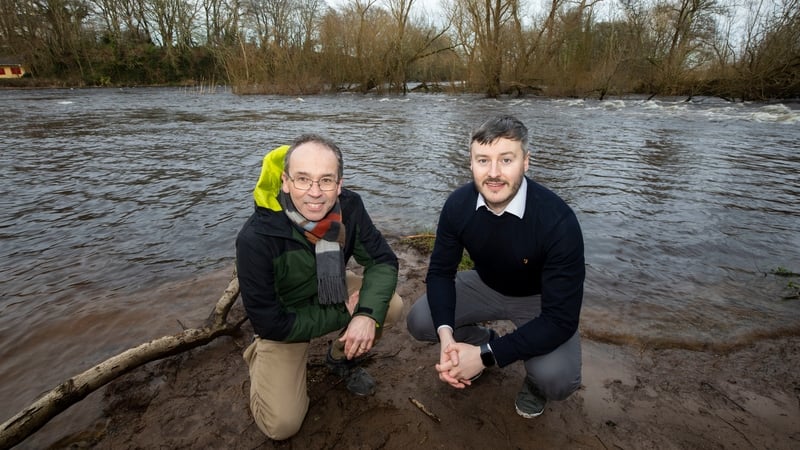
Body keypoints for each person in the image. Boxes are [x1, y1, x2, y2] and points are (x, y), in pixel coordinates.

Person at [406, 115, 584, 418]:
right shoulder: (457, 206)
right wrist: (449, 339)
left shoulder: (557, 221)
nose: (494, 173)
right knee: (422, 321)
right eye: (483, 160)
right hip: (484, 285)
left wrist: (486, 359)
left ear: (526, 162)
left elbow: (561, 319)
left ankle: (532, 382)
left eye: (506, 160)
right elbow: (440, 273)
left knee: (558, 379)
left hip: (539, 301)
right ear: (471, 164)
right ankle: (480, 344)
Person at [236, 134, 402, 440]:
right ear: (285, 182)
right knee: (281, 426)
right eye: (303, 179)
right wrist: (346, 313)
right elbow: (270, 322)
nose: (315, 193)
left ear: (339, 184)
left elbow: (382, 260)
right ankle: (260, 358)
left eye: (326, 180)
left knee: (389, 305)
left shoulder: (349, 208)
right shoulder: (256, 238)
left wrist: (365, 315)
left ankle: (341, 357)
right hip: (285, 319)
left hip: (332, 288)